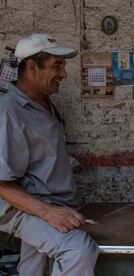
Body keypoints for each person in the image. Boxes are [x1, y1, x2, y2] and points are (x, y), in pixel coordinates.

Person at [0, 34, 99, 276]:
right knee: (77, 250)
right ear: (32, 66)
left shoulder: (44, 104)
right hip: (25, 207)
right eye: (57, 66)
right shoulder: (8, 112)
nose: (64, 75)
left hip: (52, 202)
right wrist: (48, 212)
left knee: (34, 267)